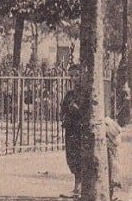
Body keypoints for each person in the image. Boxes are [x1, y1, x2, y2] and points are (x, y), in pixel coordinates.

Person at [61, 66, 86, 199]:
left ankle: (79, 187)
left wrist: (76, 109)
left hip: (80, 130)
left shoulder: (85, 93)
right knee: (72, 157)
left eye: (76, 75)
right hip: (70, 129)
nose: (73, 79)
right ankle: (77, 187)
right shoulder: (70, 94)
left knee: (80, 158)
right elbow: (63, 108)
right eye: (71, 76)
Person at [103, 115, 122, 201]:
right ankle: (110, 193)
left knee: (111, 169)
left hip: (110, 147)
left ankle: (111, 193)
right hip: (111, 147)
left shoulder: (107, 124)